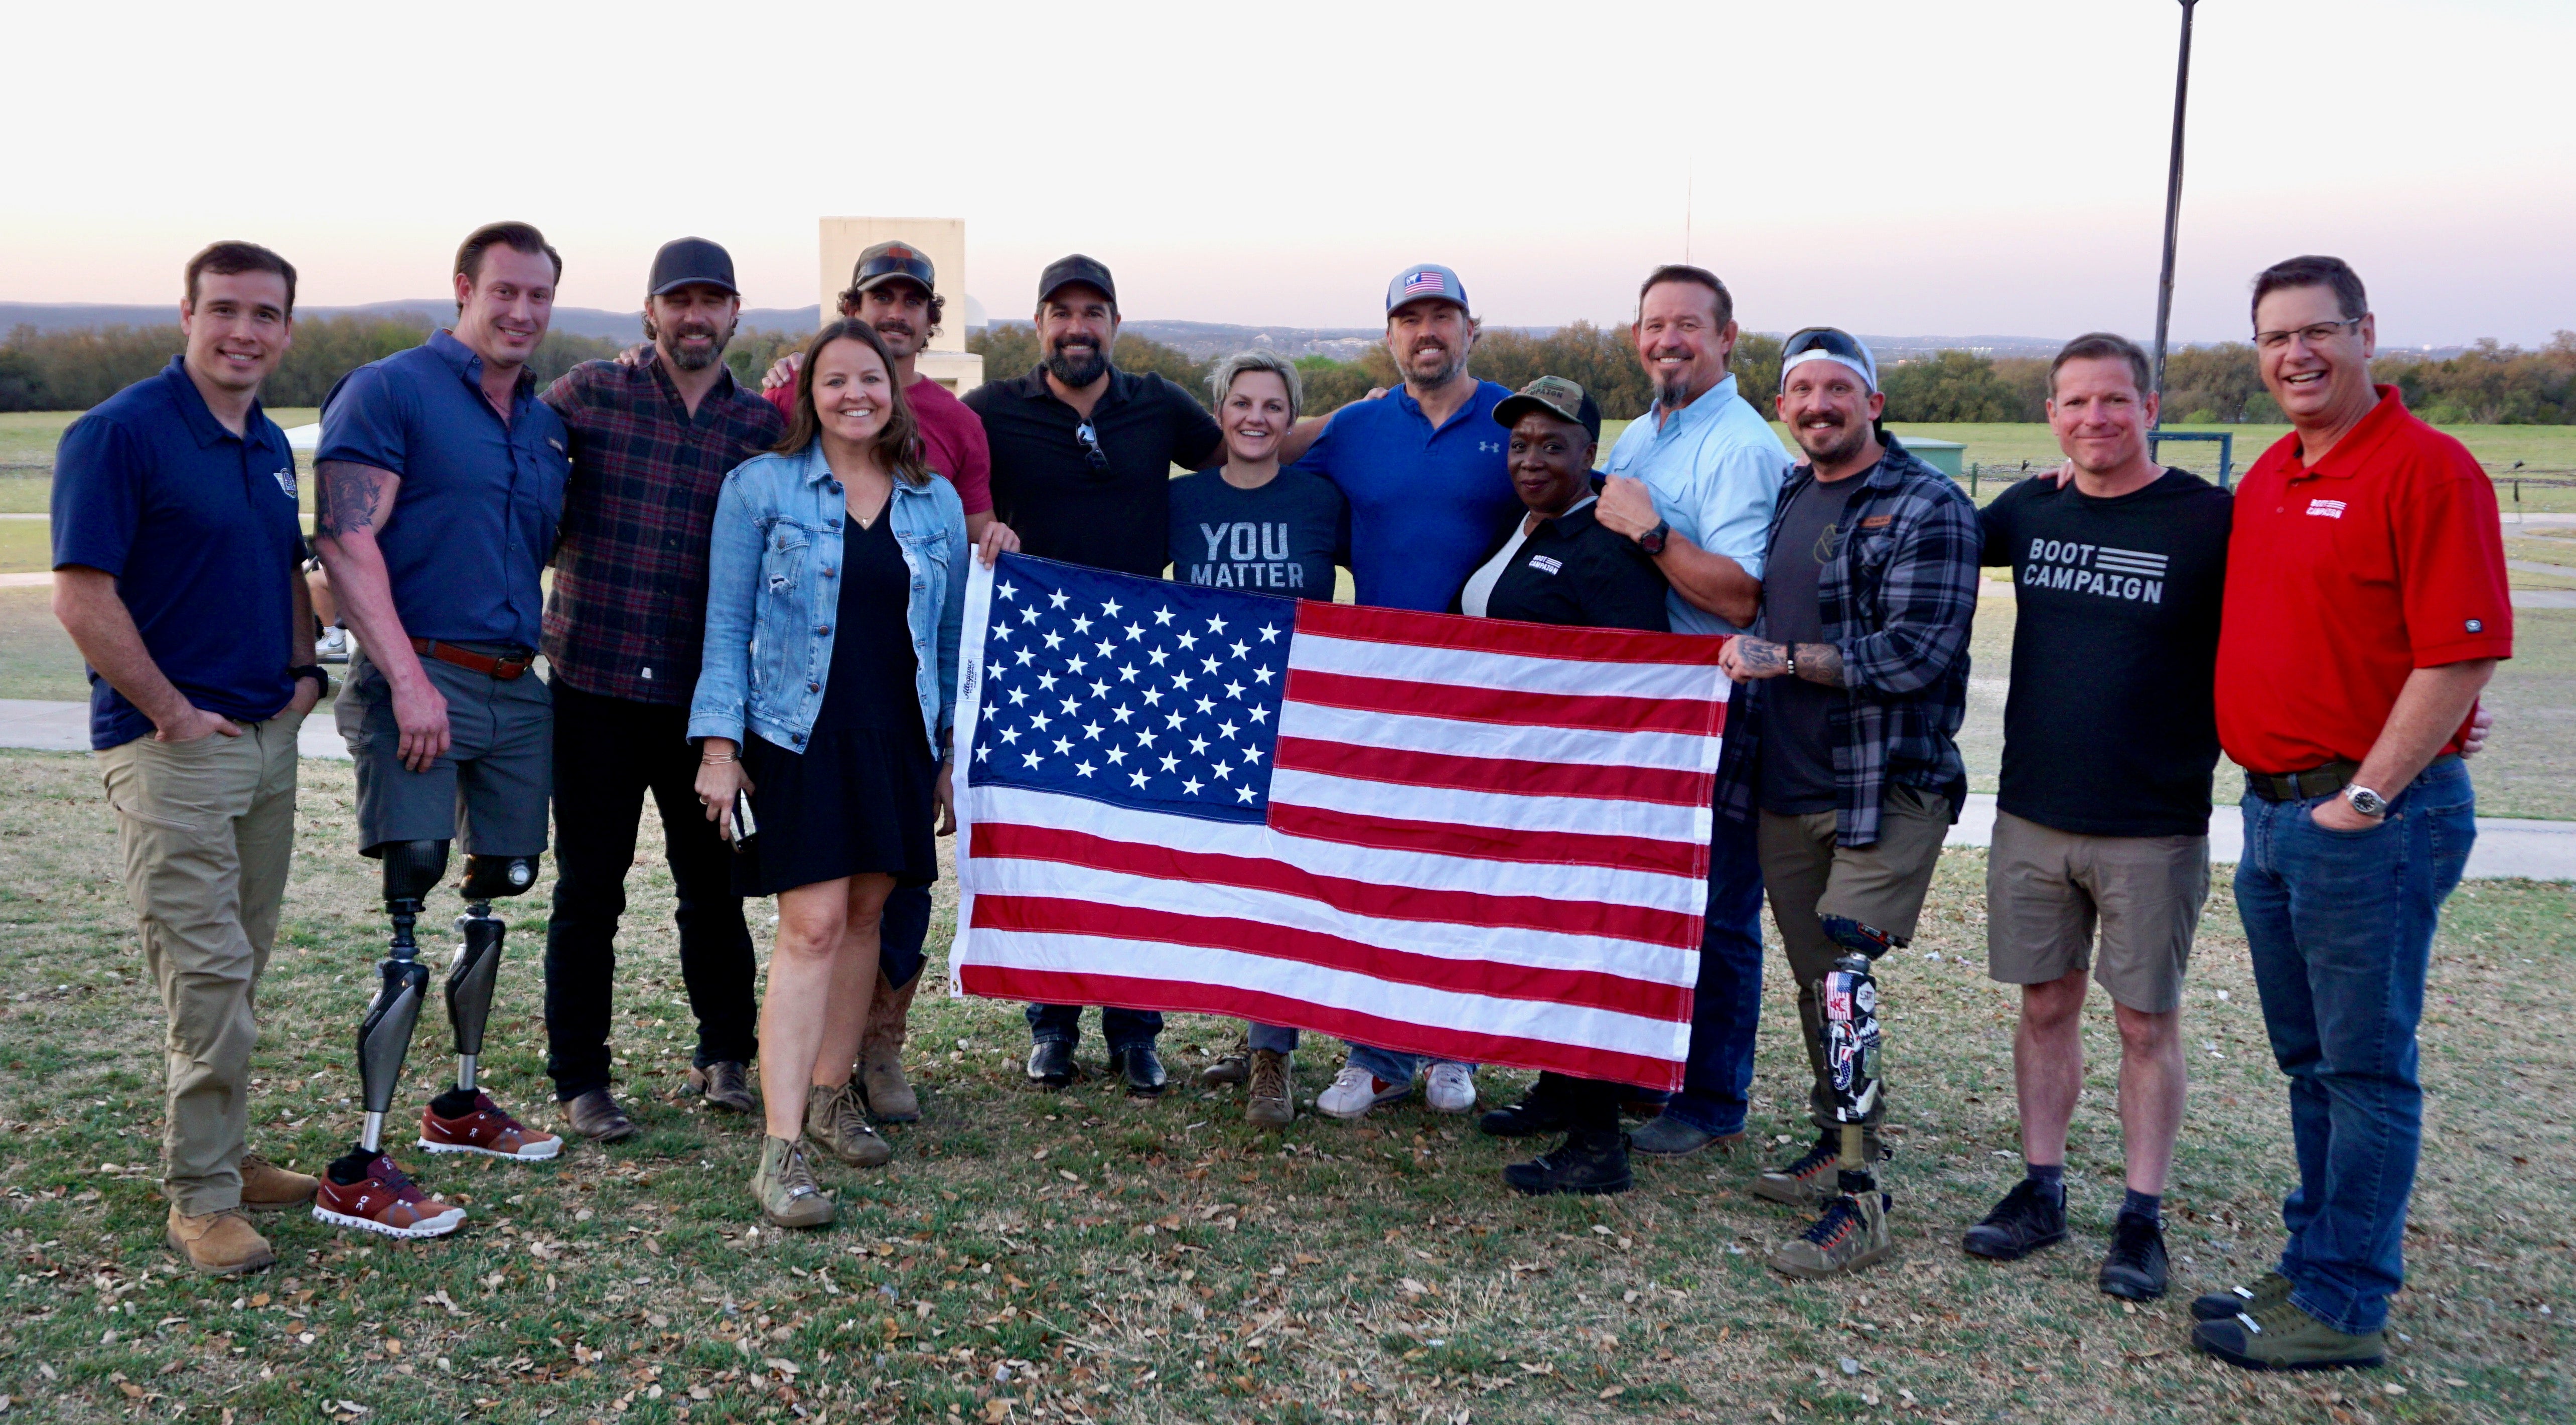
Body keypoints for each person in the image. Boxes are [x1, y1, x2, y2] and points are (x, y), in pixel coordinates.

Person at [2187, 257, 2509, 1371]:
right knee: (2308, 1059)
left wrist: (2366, 795)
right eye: (2273, 338)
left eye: (2317, 331)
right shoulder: (2274, 467)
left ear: (2365, 333)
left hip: (2365, 818)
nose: (2295, 356)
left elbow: (2459, 648)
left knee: (2364, 1064)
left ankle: (2343, 1299)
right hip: (2270, 814)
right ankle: (2314, 1253)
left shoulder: (2428, 471)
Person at [49, 241, 327, 1274]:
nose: (243, 331)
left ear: (287, 331)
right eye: (225, 311)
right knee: (205, 974)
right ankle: (201, 1197)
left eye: (265, 315)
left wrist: (304, 681)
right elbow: (83, 595)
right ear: (186, 314)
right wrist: (168, 709)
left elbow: (286, 568)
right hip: (171, 749)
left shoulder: (261, 443)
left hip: (265, 738)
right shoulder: (120, 433)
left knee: (239, 964)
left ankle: (229, 1153)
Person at [1955, 332, 2233, 1301]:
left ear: (2150, 407)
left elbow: (2306, 614)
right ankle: (2041, 1190)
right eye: (2074, 404)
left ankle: (2140, 1217)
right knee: (2044, 1007)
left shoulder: (2210, 520)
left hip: (2153, 820)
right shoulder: (2029, 508)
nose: (2094, 420)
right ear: (2051, 416)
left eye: (2113, 401)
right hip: (2033, 808)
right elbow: (1926, 535)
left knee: (2146, 1023)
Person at [309, 222, 571, 1238]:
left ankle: (458, 1106)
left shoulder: (546, 425)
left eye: (539, 296)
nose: (520, 312)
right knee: (411, 886)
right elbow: (344, 536)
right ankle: (360, 1165)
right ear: (464, 288)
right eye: (503, 291)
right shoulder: (392, 390)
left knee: (502, 880)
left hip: (516, 685)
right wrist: (407, 680)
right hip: (419, 673)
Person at [691, 319, 968, 1227]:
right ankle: (781, 1151)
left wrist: (946, 753)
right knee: (809, 926)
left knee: (863, 920)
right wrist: (719, 749)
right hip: (794, 735)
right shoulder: (761, 488)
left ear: (897, 391)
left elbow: (953, 641)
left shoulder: (933, 503)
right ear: (808, 393)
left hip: (896, 737)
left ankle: (830, 1092)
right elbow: (726, 626)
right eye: (836, 380)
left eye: (872, 380)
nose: (856, 394)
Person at [1715, 328, 1979, 1278]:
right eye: (1800, 390)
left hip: (1885, 784)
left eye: (1837, 389)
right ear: (1782, 406)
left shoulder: (1926, 504)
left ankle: (1861, 1200)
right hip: (1784, 782)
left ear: (1872, 401)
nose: (1817, 404)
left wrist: (1780, 661)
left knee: (1843, 980)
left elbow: (1916, 655)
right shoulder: (1792, 492)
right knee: (1812, 976)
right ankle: (1837, 1132)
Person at [760, 239, 1013, 1125]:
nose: (896, 313)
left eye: (913, 301)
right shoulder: (793, 398)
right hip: (811, 705)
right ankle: (791, 1090)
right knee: (817, 914)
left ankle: (876, 1053)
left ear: (931, 318)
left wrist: (1000, 546)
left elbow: (969, 552)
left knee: (892, 899)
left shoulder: (958, 424)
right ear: (853, 309)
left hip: (904, 705)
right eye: (881, 299)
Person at [536, 238, 783, 1141]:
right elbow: (519, 477)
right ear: (650, 311)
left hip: (703, 702)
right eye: (678, 300)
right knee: (589, 890)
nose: (694, 316)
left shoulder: (758, 427)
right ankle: (581, 1076)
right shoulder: (588, 395)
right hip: (590, 684)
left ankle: (725, 1055)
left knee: (712, 888)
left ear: (734, 315)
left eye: (711, 301)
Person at [964, 254, 1222, 1096]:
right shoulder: (995, 411)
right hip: (1036, 662)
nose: (1077, 327)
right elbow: (912, 447)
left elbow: (1245, 447)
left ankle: (1137, 1029)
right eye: (1060, 312)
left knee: (1139, 848)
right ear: (1037, 324)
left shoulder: (1155, 404)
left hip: (1144, 668)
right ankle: (1052, 1023)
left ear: (1114, 324)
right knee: (1052, 849)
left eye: (1093, 313)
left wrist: (1343, 424)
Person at [1288, 263, 1520, 1120]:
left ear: (1471, 329)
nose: (1427, 332)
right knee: (1378, 866)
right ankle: (1375, 1053)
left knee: (1465, 867)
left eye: (1443, 317)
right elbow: (1277, 492)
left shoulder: (1513, 420)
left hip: (1486, 684)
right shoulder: (1350, 430)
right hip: (1381, 685)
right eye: (1409, 318)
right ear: (1388, 336)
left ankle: (1454, 1048)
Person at [1450, 376, 1673, 1193]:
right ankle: (1555, 1089)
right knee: (1535, 942)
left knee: (1575, 948)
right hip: (1512, 778)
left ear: (1591, 453)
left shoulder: (1602, 544)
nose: (1531, 459)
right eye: (1518, 444)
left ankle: (1596, 1142)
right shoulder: (1523, 528)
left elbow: (1627, 670)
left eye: (1552, 444)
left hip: (1573, 787)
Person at [1588, 264, 1789, 1159]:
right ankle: (1650, 1071)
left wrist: (1650, 531)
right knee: (1650, 897)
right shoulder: (1642, 432)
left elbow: (1744, 598)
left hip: (1719, 705)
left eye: (1686, 326)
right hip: (1651, 707)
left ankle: (1712, 1097)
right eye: (1652, 325)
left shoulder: (1739, 445)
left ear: (1725, 337)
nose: (1667, 339)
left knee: (1717, 909)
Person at [1165, 351, 1351, 1124]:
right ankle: (1252, 1031)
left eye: (1273, 407)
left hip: (1299, 712)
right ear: (1218, 414)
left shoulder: (1320, 501)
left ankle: (1273, 1055)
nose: (1255, 418)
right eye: (1240, 403)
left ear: (1290, 419)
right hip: (1208, 713)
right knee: (1232, 882)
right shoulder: (1180, 502)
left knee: (1281, 878)